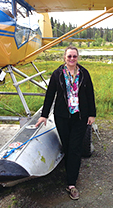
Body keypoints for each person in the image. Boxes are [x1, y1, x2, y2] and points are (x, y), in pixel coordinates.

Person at [35, 46, 96, 200]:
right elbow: (50, 95)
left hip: (80, 117)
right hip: (62, 116)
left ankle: (71, 184)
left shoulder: (84, 73)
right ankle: (70, 169)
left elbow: (90, 94)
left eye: (74, 56)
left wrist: (92, 114)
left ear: (78, 58)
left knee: (75, 148)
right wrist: (44, 115)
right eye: (69, 56)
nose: (72, 59)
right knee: (67, 146)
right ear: (64, 57)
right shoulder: (57, 74)